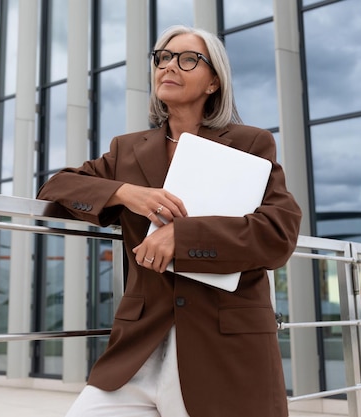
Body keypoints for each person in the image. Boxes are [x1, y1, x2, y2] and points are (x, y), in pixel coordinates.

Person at [37, 25, 302, 417]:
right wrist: (126, 193)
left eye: (187, 59)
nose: (169, 66)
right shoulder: (126, 151)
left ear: (213, 81)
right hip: (138, 352)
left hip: (222, 349)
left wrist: (182, 236)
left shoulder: (250, 143)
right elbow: (56, 189)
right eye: (162, 58)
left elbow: (278, 232)